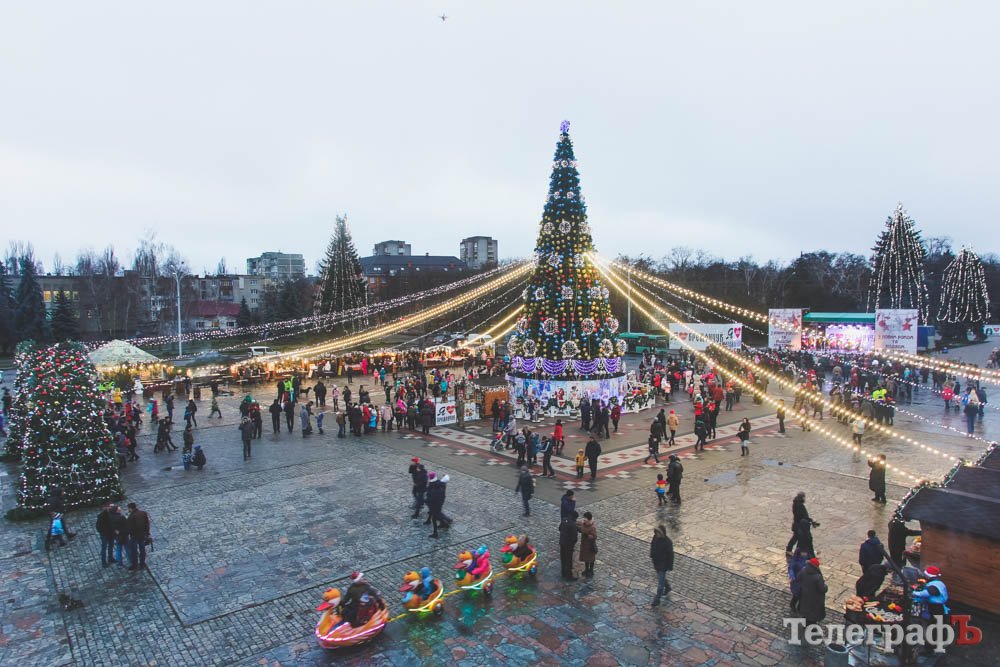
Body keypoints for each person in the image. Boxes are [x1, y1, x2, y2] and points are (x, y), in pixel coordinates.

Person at [797, 557, 827, 626]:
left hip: (805, 594)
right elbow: (822, 589)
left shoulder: (803, 570)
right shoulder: (817, 577)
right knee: (813, 612)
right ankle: (811, 626)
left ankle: (806, 624)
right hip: (815, 598)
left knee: (805, 609)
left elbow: (798, 578)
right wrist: (826, 586)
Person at [650, 525, 674, 607]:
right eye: (656, 532)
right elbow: (652, 545)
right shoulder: (655, 538)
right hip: (656, 562)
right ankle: (667, 587)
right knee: (662, 578)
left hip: (663, 565)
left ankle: (657, 599)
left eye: (658, 533)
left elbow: (670, 555)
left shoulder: (668, 542)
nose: (657, 534)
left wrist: (670, 566)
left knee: (660, 583)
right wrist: (652, 555)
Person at [126, 502, 151, 571]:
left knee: (134, 551)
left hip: (134, 536)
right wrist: (147, 533)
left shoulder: (131, 517)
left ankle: (135, 564)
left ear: (130, 508)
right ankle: (142, 563)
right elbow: (147, 524)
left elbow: (129, 528)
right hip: (142, 534)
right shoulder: (143, 513)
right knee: (142, 549)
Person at [559, 511, 579, 581]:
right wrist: (573, 543)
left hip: (562, 542)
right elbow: (574, 537)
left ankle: (563, 572)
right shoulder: (572, 524)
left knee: (563, 558)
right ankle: (569, 576)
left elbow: (559, 528)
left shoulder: (564, 520)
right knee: (569, 560)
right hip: (569, 545)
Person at [578, 511, 597, 577]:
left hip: (590, 546)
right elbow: (581, 528)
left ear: (588, 519)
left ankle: (591, 571)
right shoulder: (584, 524)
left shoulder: (592, 527)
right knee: (586, 558)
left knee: (591, 559)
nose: (584, 519)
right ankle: (586, 570)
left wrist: (588, 535)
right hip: (584, 545)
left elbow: (594, 536)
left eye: (585, 518)